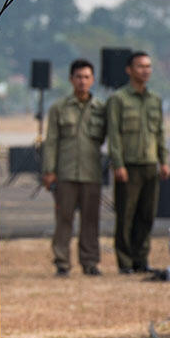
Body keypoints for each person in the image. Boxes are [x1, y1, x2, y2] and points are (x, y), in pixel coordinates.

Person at [41, 59, 106, 277]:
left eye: (87, 77)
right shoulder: (58, 108)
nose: (82, 81)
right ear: (71, 79)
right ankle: (62, 262)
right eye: (78, 77)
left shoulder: (101, 109)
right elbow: (51, 141)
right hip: (65, 173)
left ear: (93, 79)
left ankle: (90, 262)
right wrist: (49, 170)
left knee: (91, 220)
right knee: (64, 220)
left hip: (92, 173)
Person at [107, 51, 169, 274]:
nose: (146, 70)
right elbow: (114, 134)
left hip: (150, 165)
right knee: (126, 215)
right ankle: (125, 262)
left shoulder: (155, 100)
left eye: (149, 66)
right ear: (129, 70)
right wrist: (119, 164)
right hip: (129, 166)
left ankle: (141, 259)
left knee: (147, 214)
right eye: (141, 66)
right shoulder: (118, 99)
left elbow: (160, 133)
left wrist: (164, 161)